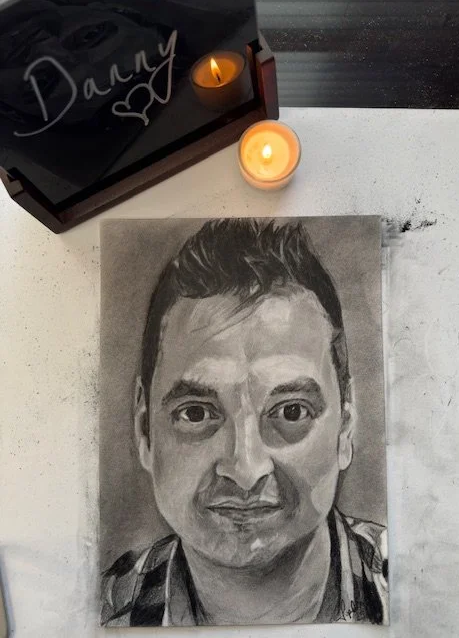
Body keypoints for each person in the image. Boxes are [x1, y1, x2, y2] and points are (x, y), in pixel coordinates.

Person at [101, 219, 388, 627]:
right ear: (145, 430)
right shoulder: (100, 610)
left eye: (291, 411)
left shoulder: (422, 585)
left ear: (344, 427)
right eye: (196, 413)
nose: (246, 470)